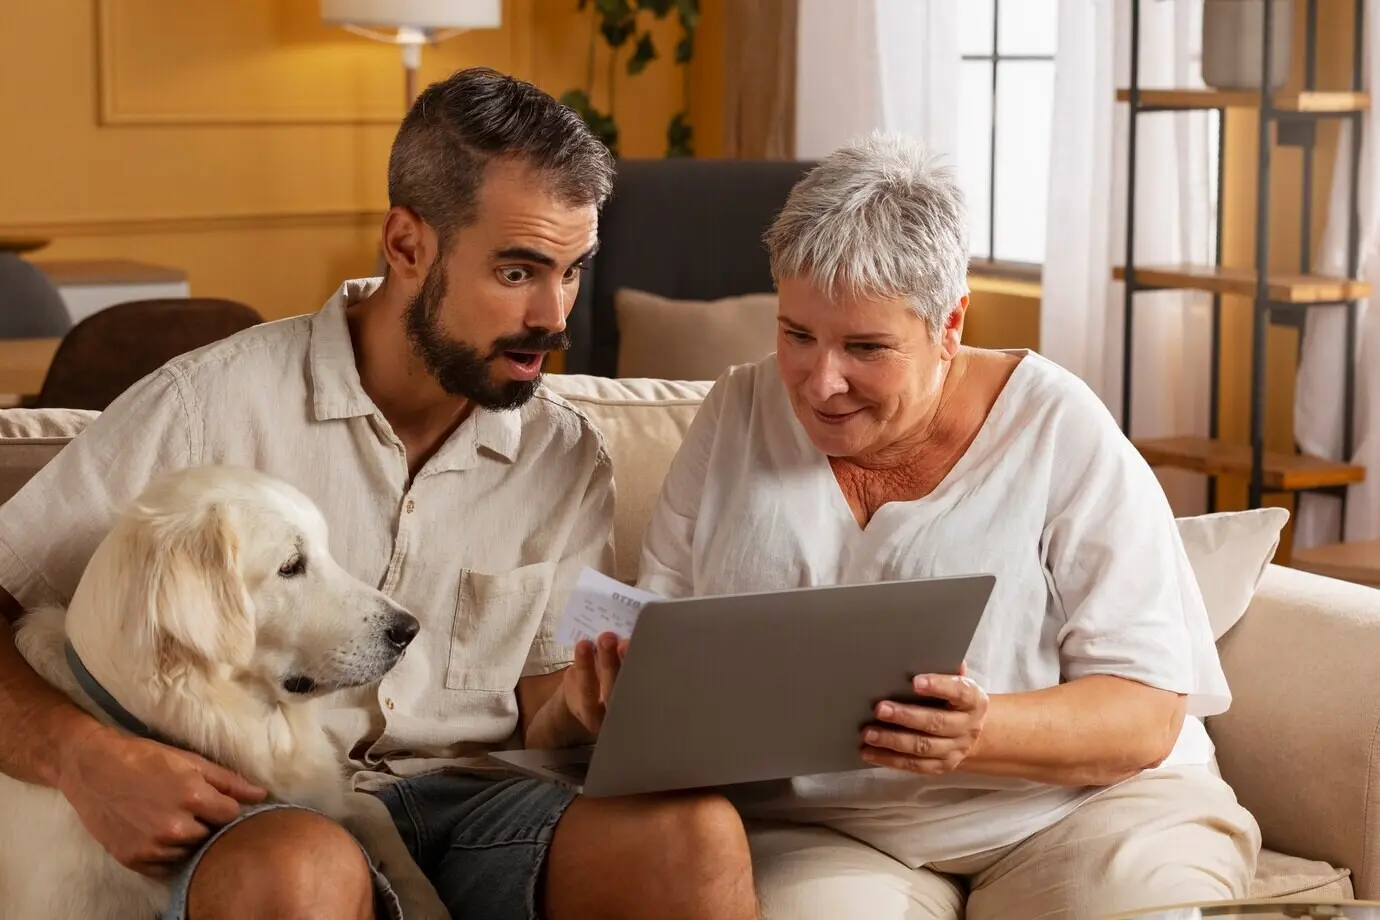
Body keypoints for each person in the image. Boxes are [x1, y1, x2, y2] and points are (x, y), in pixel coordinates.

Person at [0, 67, 758, 920]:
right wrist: (81, 759)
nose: (555, 316)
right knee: (306, 867)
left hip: (481, 804)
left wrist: (586, 704)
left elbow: (542, 706)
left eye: (573, 270)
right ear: (406, 245)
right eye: (517, 272)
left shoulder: (566, 454)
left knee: (696, 836)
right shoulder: (204, 407)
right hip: (262, 810)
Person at [634, 132, 1261, 920]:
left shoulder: (1058, 428)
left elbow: (1146, 715)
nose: (821, 383)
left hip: (1084, 809)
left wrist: (982, 732)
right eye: (797, 335)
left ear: (950, 323)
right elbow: (655, 640)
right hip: (830, 832)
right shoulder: (735, 413)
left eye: (866, 347)